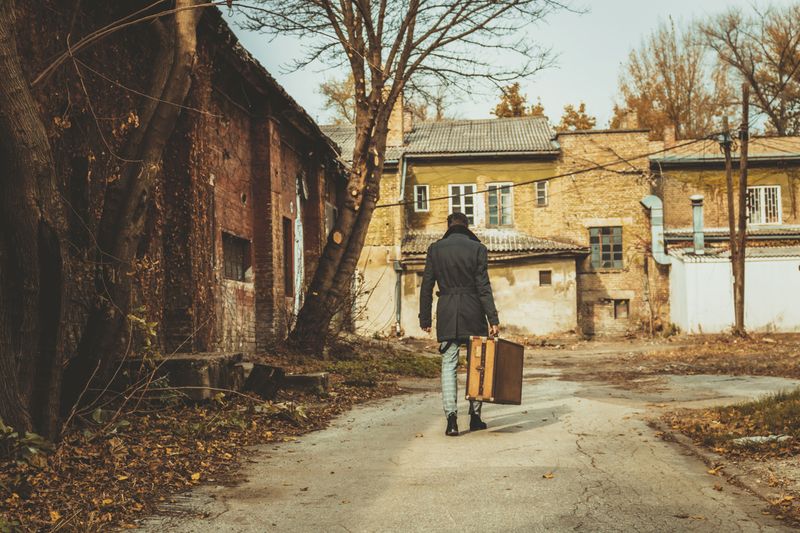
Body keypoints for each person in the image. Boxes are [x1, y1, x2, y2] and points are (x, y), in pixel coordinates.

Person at [419, 212, 500, 437]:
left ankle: (451, 421)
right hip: (473, 311)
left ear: (448, 226)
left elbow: (426, 286)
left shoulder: (435, 249)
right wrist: (493, 319)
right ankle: (475, 418)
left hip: (446, 312)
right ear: (466, 226)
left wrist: (424, 318)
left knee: (448, 365)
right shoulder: (478, 249)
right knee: (478, 367)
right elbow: (484, 287)